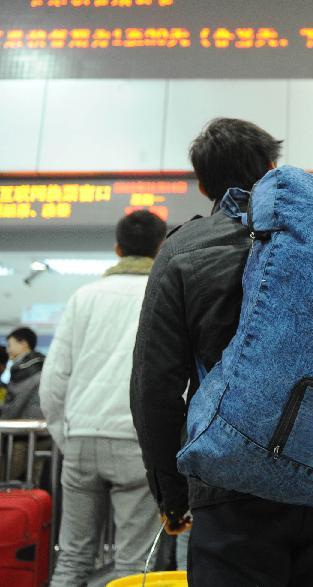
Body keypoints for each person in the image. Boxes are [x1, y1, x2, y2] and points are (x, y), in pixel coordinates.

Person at [131, 118, 313, 586]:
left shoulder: (182, 251)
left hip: (229, 482)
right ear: (273, 167)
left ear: (202, 185)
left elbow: (154, 387)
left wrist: (173, 493)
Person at [39, 211, 168, 585]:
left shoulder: (84, 297)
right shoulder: (161, 294)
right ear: (161, 248)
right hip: (136, 443)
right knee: (133, 565)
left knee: (73, 560)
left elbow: (54, 379)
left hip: (81, 439)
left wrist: (69, 436)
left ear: (116, 248)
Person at [2, 327, 48, 483]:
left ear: (23, 343)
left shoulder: (26, 367)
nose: (8, 350)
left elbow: (15, 404)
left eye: (10, 345)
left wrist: (3, 422)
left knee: (8, 479)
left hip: (23, 434)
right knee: (35, 481)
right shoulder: (44, 363)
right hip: (43, 432)